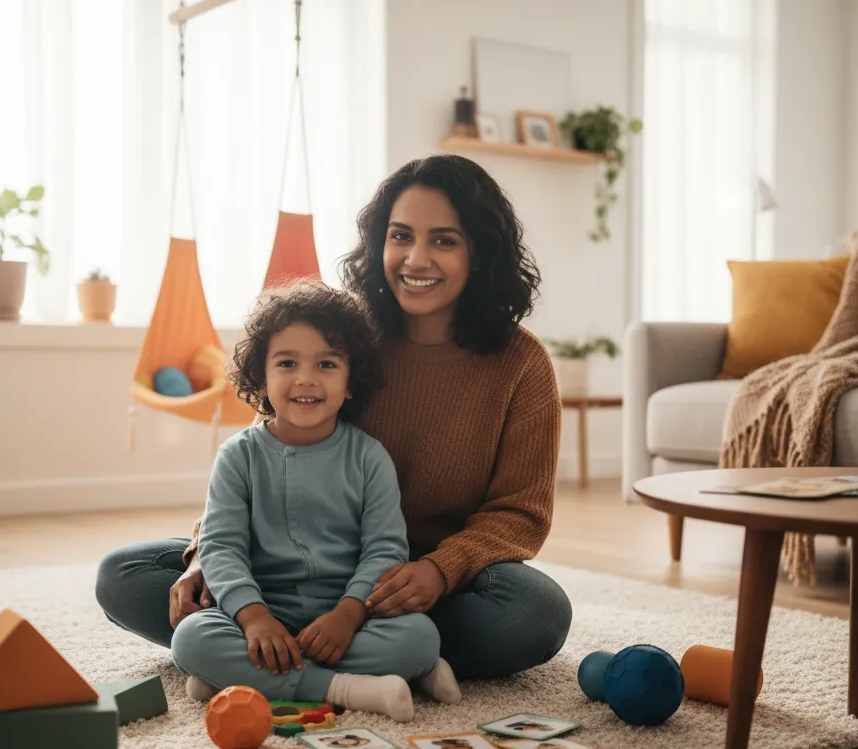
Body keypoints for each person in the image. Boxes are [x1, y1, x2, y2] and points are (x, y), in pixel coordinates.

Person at [96, 153, 571, 682]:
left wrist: (439, 571)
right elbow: (264, 449)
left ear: (480, 252)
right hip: (283, 567)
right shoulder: (342, 334)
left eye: (444, 240)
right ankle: (356, 659)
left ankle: (281, 656)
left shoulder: (521, 364)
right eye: (400, 236)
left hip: (418, 584)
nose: (416, 259)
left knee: (535, 614)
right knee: (123, 575)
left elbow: (520, 512)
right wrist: (203, 556)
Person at [169, 284, 459, 723]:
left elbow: (384, 549)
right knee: (191, 638)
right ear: (262, 378)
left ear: (350, 383)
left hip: (350, 615)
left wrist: (348, 613)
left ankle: (240, 677)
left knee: (419, 636)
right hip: (263, 609)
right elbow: (221, 547)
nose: (306, 378)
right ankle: (352, 688)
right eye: (287, 363)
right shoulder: (237, 457)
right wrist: (254, 618)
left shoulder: (369, 457)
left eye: (326, 364)